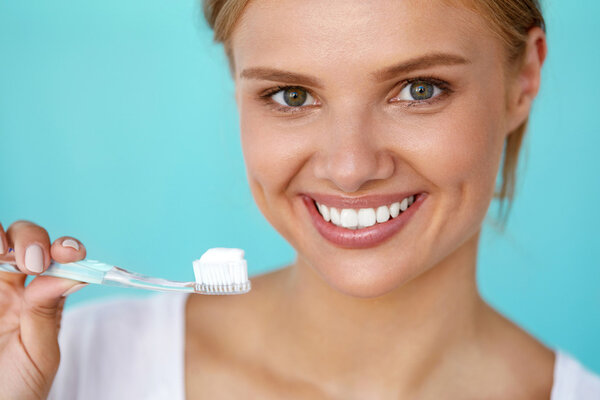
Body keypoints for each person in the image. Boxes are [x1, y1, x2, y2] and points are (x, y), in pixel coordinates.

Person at [1, 0, 600, 399]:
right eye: (291, 95)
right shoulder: (70, 367)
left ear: (522, 80)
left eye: (419, 89)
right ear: (237, 90)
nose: (350, 168)